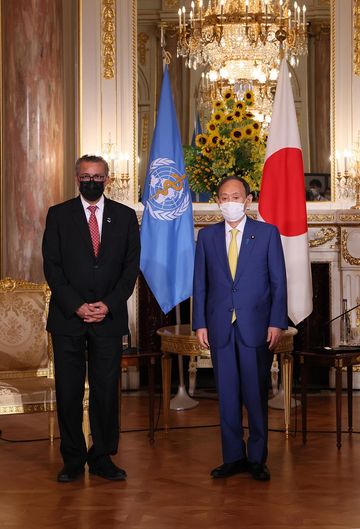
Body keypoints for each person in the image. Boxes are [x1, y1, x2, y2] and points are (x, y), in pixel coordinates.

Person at [42, 154, 140, 483]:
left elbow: (130, 270)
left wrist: (108, 305)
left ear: (108, 180)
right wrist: (77, 305)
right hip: (68, 318)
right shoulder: (58, 215)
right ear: (76, 178)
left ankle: (102, 457)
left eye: (98, 176)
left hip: (108, 319)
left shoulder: (126, 218)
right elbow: (52, 267)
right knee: (69, 391)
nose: (92, 181)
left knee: (105, 391)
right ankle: (72, 459)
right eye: (86, 176)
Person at [192, 176, 287, 481]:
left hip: (256, 326)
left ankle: (257, 458)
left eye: (236, 197)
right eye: (224, 197)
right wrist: (200, 324)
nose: (229, 202)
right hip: (220, 326)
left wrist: (276, 321)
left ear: (248, 200)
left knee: (256, 393)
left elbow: (278, 283)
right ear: (217, 202)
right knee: (228, 394)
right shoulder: (206, 237)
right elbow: (201, 285)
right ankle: (233, 456)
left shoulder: (267, 234)